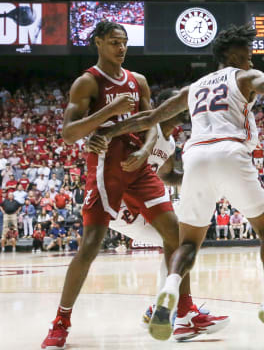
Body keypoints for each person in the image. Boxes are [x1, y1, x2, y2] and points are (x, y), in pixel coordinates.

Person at [97, 24, 264, 345]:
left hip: (195, 157)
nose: (252, 59)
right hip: (230, 150)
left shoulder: (193, 87)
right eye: (249, 54)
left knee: (186, 244)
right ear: (234, 54)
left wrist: (105, 132)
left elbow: (147, 118)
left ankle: (169, 290)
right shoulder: (244, 76)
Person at [41, 21, 191, 349]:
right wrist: (108, 112)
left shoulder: (138, 81)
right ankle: (61, 320)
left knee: (176, 234)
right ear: (98, 43)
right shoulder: (87, 82)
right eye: (113, 42)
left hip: (136, 165)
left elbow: (152, 122)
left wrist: (143, 149)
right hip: (105, 168)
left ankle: (182, 309)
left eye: (124, 42)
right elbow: (68, 134)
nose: (120, 48)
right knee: (92, 243)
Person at [89, 88, 229, 338]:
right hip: (121, 205)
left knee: (177, 242)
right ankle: (175, 312)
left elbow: (165, 175)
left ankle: (161, 310)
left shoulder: (170, 142)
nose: (188, 109)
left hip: (141, 202)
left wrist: (197, 177)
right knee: (177, 239)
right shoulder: (142, 131)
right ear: (166, 107)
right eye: (182, 104)